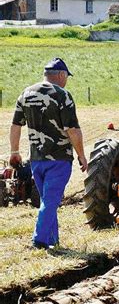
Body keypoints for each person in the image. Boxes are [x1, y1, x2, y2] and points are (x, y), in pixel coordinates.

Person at [9, 58, 88, 250]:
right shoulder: (63, 95)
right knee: (51, 201)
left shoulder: (26, 93)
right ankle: (39, 240)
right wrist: (82, 155)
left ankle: (52, 240)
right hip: (59, 159)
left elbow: (15, 125)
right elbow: (72, 130)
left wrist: (14, 151)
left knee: (47, 200)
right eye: (66, 77)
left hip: (36, 159)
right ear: (61, 75)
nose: (66, 80)